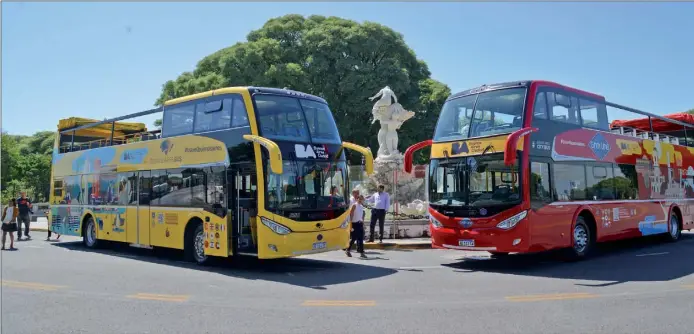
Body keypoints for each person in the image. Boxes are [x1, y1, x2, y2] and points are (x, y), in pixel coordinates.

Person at [345, 189, 367, 258]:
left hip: (360, 223)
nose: (361, 200)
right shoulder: (354, 205)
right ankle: (348, 250)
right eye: (360, 199)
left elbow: (361, 215)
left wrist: (362, 222)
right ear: (357, 199)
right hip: (355, 224)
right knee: (354, 238)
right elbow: (351, 214)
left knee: (360, 239)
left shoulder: (361, 206)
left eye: (362, 199)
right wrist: (350, 224)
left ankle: (362, 252)